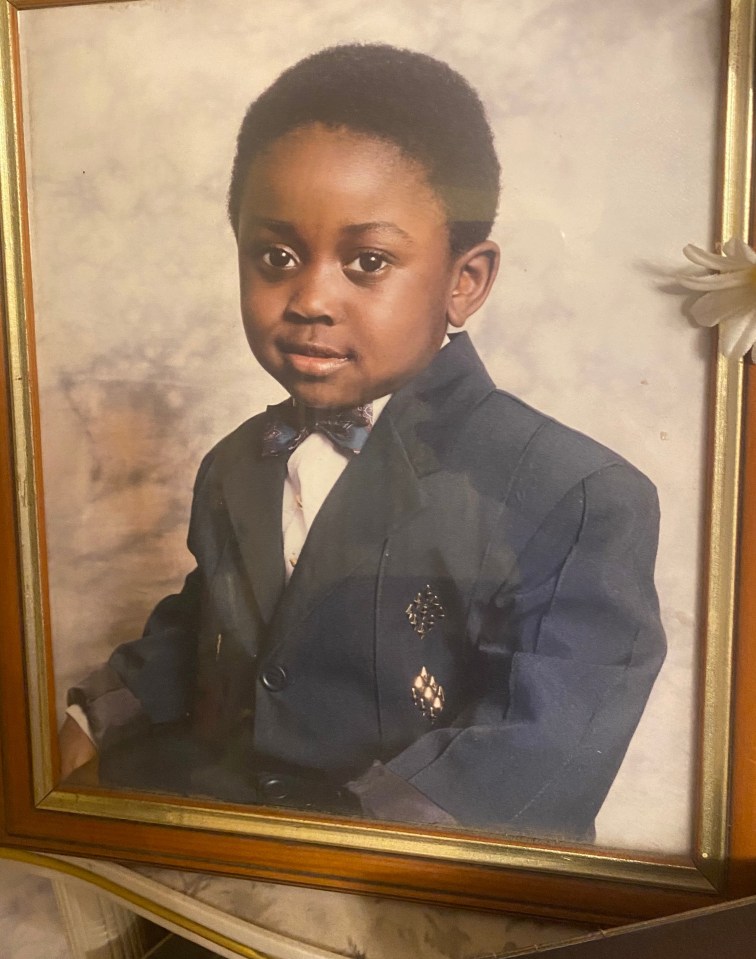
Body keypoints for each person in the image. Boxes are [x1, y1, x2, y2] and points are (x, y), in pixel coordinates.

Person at [60, 43, 666, 841]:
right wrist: (89, 722)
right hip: (225, 826)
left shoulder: (575, 493)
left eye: (367, 261)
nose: (310, 297)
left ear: (465, 281)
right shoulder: (236, 463)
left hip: (410, 879)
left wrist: (329, 860)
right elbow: (206, 624)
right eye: (276, 256)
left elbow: (543, 749)